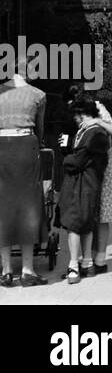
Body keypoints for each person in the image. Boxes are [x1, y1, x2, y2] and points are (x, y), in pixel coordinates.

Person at [0, 55, 48, 287]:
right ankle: (28, 270)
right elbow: (39, 129)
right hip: (25, 148)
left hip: (1, 151)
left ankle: (7, 270)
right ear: (27, 69)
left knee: (3, 206)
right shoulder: (38, 95)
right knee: (30, 204)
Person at [58, 95, 111, 284]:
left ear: (82, 113)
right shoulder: (86, 131)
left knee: (74, 224)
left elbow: (78, 161)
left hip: (84, 184)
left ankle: (73, 264)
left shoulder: (94, 133)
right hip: (85, 184)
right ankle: (87, 263)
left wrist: (66, 159)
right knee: (86, 223)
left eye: (76, 114)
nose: (74, 118)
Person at [91, 98, 112, 274]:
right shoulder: (72, 110)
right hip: (83, 165)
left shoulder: (97, 107)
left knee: (103, 211)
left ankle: (100, 257)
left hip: (102, 165)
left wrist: (99, 121)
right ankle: (88, 257)